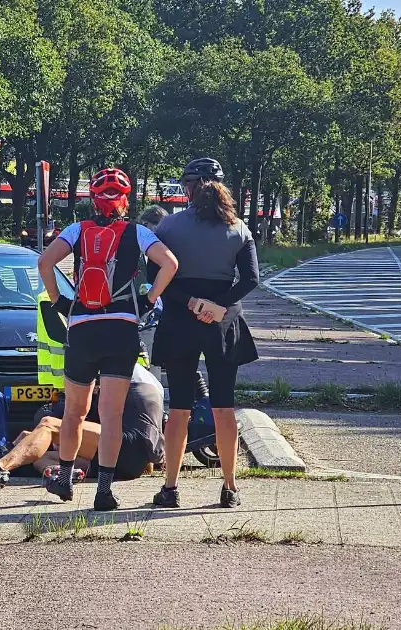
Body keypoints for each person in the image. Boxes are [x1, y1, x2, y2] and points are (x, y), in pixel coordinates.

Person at [37, 167, 178, 511]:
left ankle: (65, 479)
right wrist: (147, 301)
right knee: (111, 415)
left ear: (93, 200)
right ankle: (103, 491)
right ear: (125, 200)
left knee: (74, 412)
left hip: (83, 328)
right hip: (122, 329)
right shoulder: (138, 232)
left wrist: (60, 301)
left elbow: (45, 262)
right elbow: (170, 263)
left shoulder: (76, 230)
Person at [149, 158, 259, 509]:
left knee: (179, 407)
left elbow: (158, 279)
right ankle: (230, 488)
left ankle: (170, 488)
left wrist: (193, 301)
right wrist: (217, 305)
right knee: (223, 407)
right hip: (223, 323)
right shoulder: (240, 229)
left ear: (190, 188)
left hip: (181, 321)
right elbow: (251, 279)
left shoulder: (168, 228)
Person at [0, 364, 165, 487]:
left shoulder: (111, 371)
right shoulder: (140, 374)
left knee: (50, 424)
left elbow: (79, 417)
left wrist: (47, 432)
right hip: (129, 464)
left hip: (125, 446)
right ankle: (62, 473)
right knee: (38, 457)